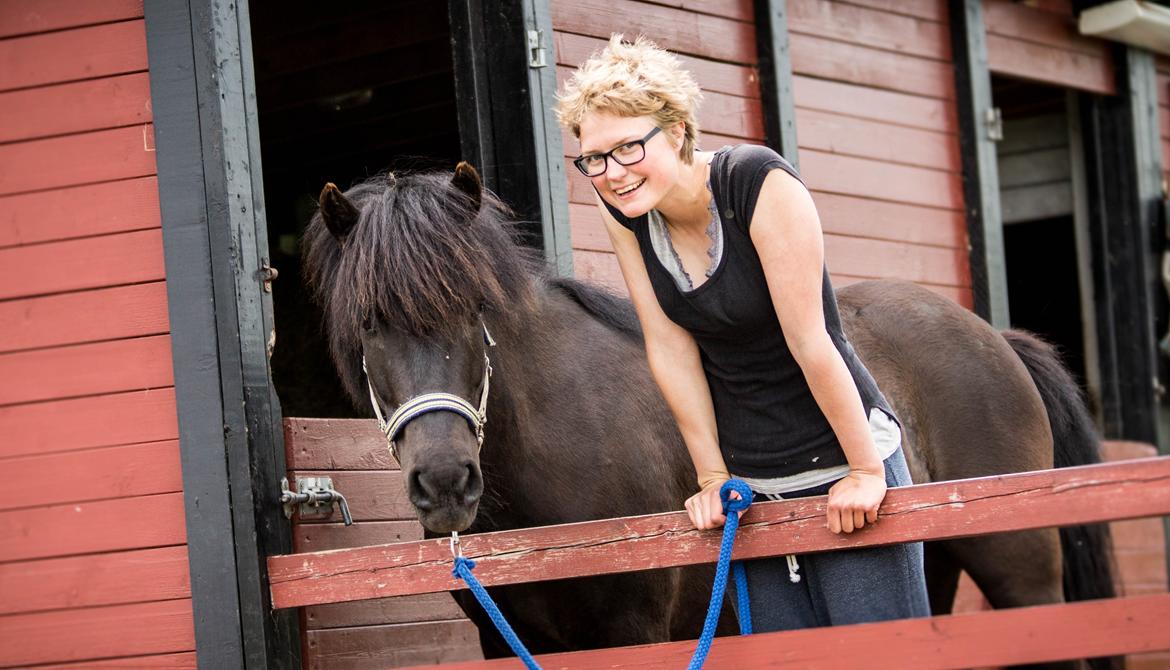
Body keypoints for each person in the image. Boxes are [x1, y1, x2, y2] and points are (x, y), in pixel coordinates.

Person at [554, 34, 930, 631]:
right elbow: (670, 347)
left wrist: (864, 471)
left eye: (627, 148)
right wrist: (711, 477)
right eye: (593, 159)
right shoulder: (625, 209)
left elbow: (813, 341)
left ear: (676, 129)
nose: (611, 173)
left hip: (841, 461)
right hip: (751, 491)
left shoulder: (757, 182)